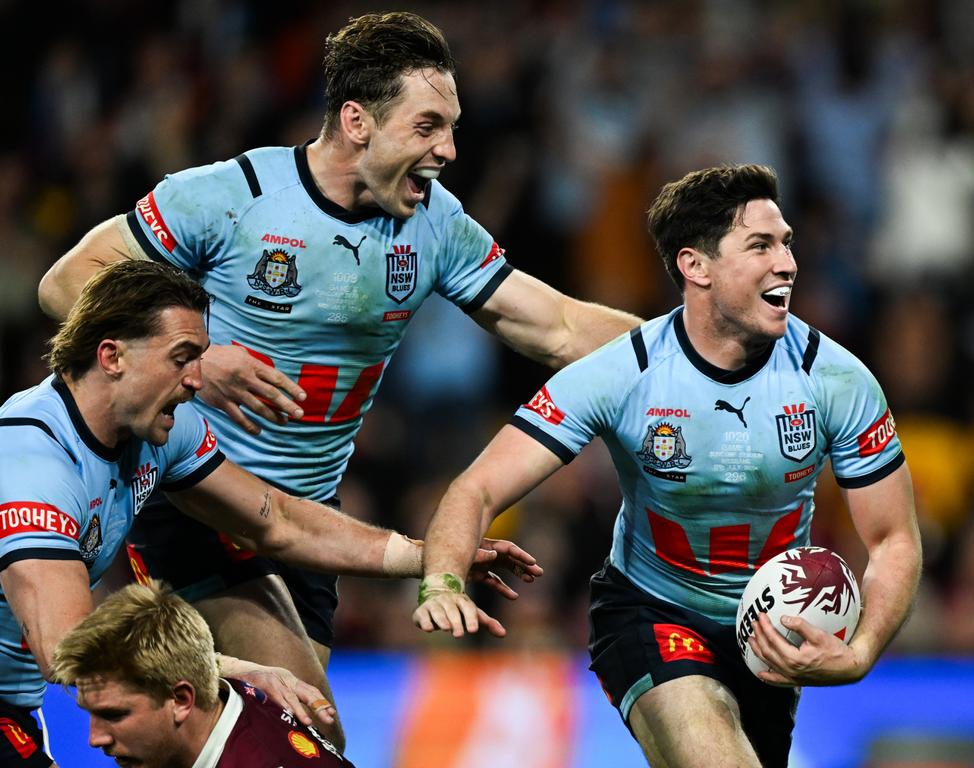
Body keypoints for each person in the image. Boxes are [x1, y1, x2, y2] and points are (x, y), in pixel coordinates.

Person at [36, 10, 639, 746]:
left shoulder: (435, 225)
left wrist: (695, 345)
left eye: (451, 128)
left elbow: (561, 327)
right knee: (306, 733)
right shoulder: (234, 195)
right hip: (200, 504)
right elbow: (68, 283)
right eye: (427, 127)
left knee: (233, 741)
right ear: (357, 121)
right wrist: (196, 358)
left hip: (308, 529)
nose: (448, 149)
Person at [412, 164, 923, 767]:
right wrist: (442, 578)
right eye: (759, 245)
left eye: (786, 243)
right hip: (649, 613)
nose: (786, 263)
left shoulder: (836, 380)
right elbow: (476, 487)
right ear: (695, 266)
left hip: (773, 637)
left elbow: (894, 540)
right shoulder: (625, 374)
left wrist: (860, 652)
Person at [0, 260, 538, 766]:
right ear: (112, 356)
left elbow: (275, 520)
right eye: (182, 357)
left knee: (300, 728)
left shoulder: (160, 428)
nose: (196, 381)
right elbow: (69, 650)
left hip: (17, 705)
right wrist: (241, 671)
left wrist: (428, 558)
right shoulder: (31, 463)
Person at [52, 581, 352, 767]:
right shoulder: (220, 698)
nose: (95, 738)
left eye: (114, 714)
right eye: (90, 712)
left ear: (181, 699)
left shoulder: (257, 759)